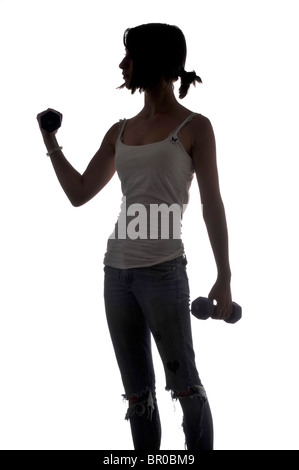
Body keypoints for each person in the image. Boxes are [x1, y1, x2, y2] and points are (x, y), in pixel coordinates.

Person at [37, 23, 232, 451]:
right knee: (138, 396)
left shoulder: (196, 126)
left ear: (156, 61)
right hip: (117, 274)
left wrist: (224, 276)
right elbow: (79, 194)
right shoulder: (119, 130)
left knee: (185, 387)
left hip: (164, 272)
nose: (122, 65)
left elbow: (211, 203)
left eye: (130, 56)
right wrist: (51, 141)